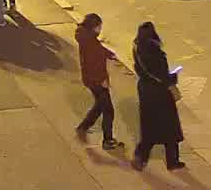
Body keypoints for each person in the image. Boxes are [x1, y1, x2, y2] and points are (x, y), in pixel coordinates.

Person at [131, 22, 186, 172]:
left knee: (149, 128)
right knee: (170, 128)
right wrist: (173, 77)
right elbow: (161, 74)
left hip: (145, 90)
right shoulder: (154, 51)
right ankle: (172, 161)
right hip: (160, 93)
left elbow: (144, 69)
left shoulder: (137, 48)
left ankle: (141, 156)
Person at [75, 13, 122, 150]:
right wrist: (102, 81)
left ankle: (83, 127)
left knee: (100, 105)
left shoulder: (86, 38)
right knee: (108, 110)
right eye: (99, 27)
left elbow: (99, 50)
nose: (101, 29)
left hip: (90, 79)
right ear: (94, 27)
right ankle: (108, 140)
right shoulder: (90, 42)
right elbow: (95, 63)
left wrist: (110, 54)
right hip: (96, 81)